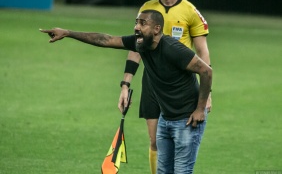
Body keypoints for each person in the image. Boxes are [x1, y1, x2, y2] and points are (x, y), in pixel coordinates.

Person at [40, 9, 212, 173]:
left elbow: (206, 71)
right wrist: (68, 33)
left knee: (182, 171)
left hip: (188, 120)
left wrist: (199, 109)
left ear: (157, 29)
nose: (136, 27)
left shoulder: (172, 49)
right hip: (165, 119)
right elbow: (105, 39)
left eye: (142, 23)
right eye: (136, 23)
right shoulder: (141, 44)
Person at [118, 0, 211, 173]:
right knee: (155, 141)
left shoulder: (190, 11)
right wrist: (125, 84)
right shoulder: (147, 8)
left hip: (179, 85)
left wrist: (207, 94)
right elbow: (137, 46)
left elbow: (203, 53)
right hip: (152, 82)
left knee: (180, 150)